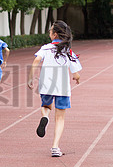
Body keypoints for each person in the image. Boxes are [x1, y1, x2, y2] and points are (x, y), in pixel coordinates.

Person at [27, 20, 81, 157]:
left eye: (50, 30)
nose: (49, 32)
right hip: (62, 87)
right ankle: (55, 147)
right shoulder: (68, 51)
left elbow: (36, 61)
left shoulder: (45, 48)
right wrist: (77, 78)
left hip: (46, 85)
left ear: (55, 34)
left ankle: (45, 117)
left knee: (46, 106)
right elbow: (76, 73)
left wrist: (30, 78)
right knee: (60, 118)